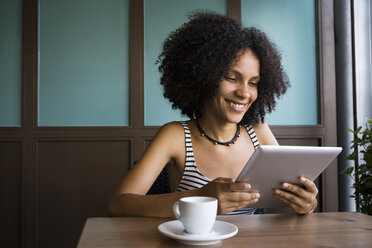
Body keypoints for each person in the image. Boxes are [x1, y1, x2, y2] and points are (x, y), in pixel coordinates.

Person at [108, 11, 318, 217]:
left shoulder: (258, 131)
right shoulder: (175, 136)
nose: (244, 93)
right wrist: (201, 198)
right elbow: (118, 204)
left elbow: (294, 194)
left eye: (253, 83)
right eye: (231, 78)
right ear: (203, 78)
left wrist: (306, 204)